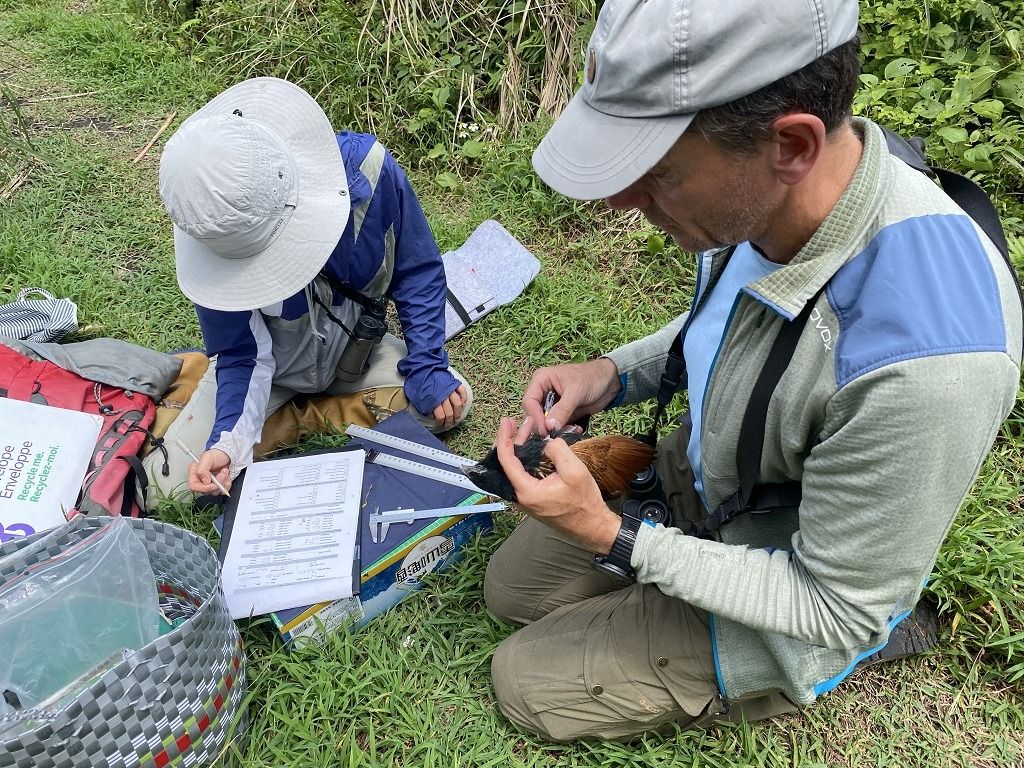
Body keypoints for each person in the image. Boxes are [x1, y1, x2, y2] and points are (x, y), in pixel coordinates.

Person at [482, 0, 1023, 742]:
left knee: (525, 682)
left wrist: (616, 536)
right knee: (512, 591)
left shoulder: (926, 365)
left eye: (656, 172)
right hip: (728, 464)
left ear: (792, 144)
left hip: (807, 575)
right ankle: (687, 559)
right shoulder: (767, 196)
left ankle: (867, 635)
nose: (619, 199)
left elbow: (833, 603)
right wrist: (612, 374)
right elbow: (743, 323)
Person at [157, 77, 471, 495]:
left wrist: (428, 362)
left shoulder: (369, 171)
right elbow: (242, 354)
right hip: (270, 371)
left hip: (356, 355)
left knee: (451, 404)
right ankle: (289, 416)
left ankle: (290, 419)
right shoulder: (212, 225)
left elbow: (417, 271)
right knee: (172, 486)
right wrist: (228, 445)